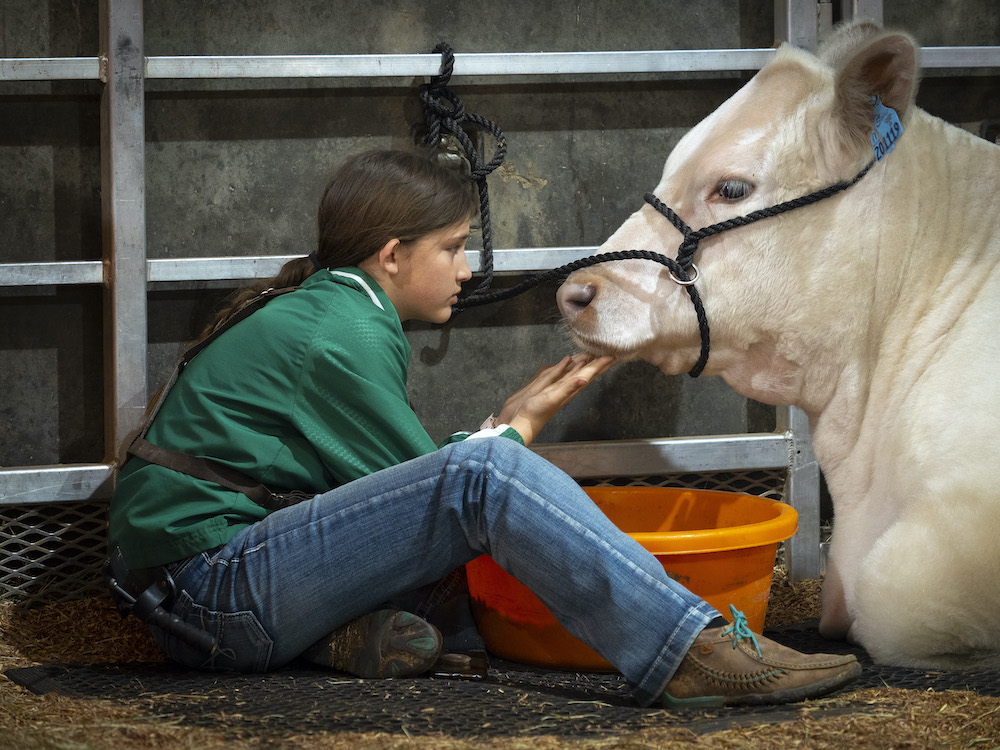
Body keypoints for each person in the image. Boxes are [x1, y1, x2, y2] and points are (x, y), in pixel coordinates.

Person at [108, 148, 860, 708]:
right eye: (453, 246)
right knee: (488, 480)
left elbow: (400, 501)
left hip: (195, 594)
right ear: (393, 255)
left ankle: (337, 637)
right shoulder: (338, 328)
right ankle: (689, 650)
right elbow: (453, 494)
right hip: (210, 594)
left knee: (475, 510)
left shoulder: (329, 307)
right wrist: (513, 431)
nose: (468, 269)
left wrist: (504, 431)